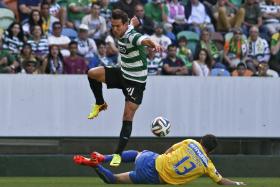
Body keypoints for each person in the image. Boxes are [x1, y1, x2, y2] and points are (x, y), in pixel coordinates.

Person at [86, 9, 162, 167]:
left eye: (118, 26)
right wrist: (135, 22)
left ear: (125, 25)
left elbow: (143, 39)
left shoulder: (131, 35)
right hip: (123, 72)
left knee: (127, 117)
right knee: (92, 73)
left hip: (135, 82)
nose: (115, 29)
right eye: (113, 26)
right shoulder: (128, 28)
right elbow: (134, 23)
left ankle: (118, 154)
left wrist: (153, 43)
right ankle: (100, 103)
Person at [73, 134, 246, 185]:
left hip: (153, 160)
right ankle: (96, 166)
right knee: (114, 180)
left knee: (136, 154)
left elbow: (170, 149)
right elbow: (222, 181)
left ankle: (103, 158)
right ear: (211, 151)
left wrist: (164, 158)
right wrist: (238, 184)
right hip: (154, 177)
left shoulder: (191, 142)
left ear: (201, 141)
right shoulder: (208, 165)